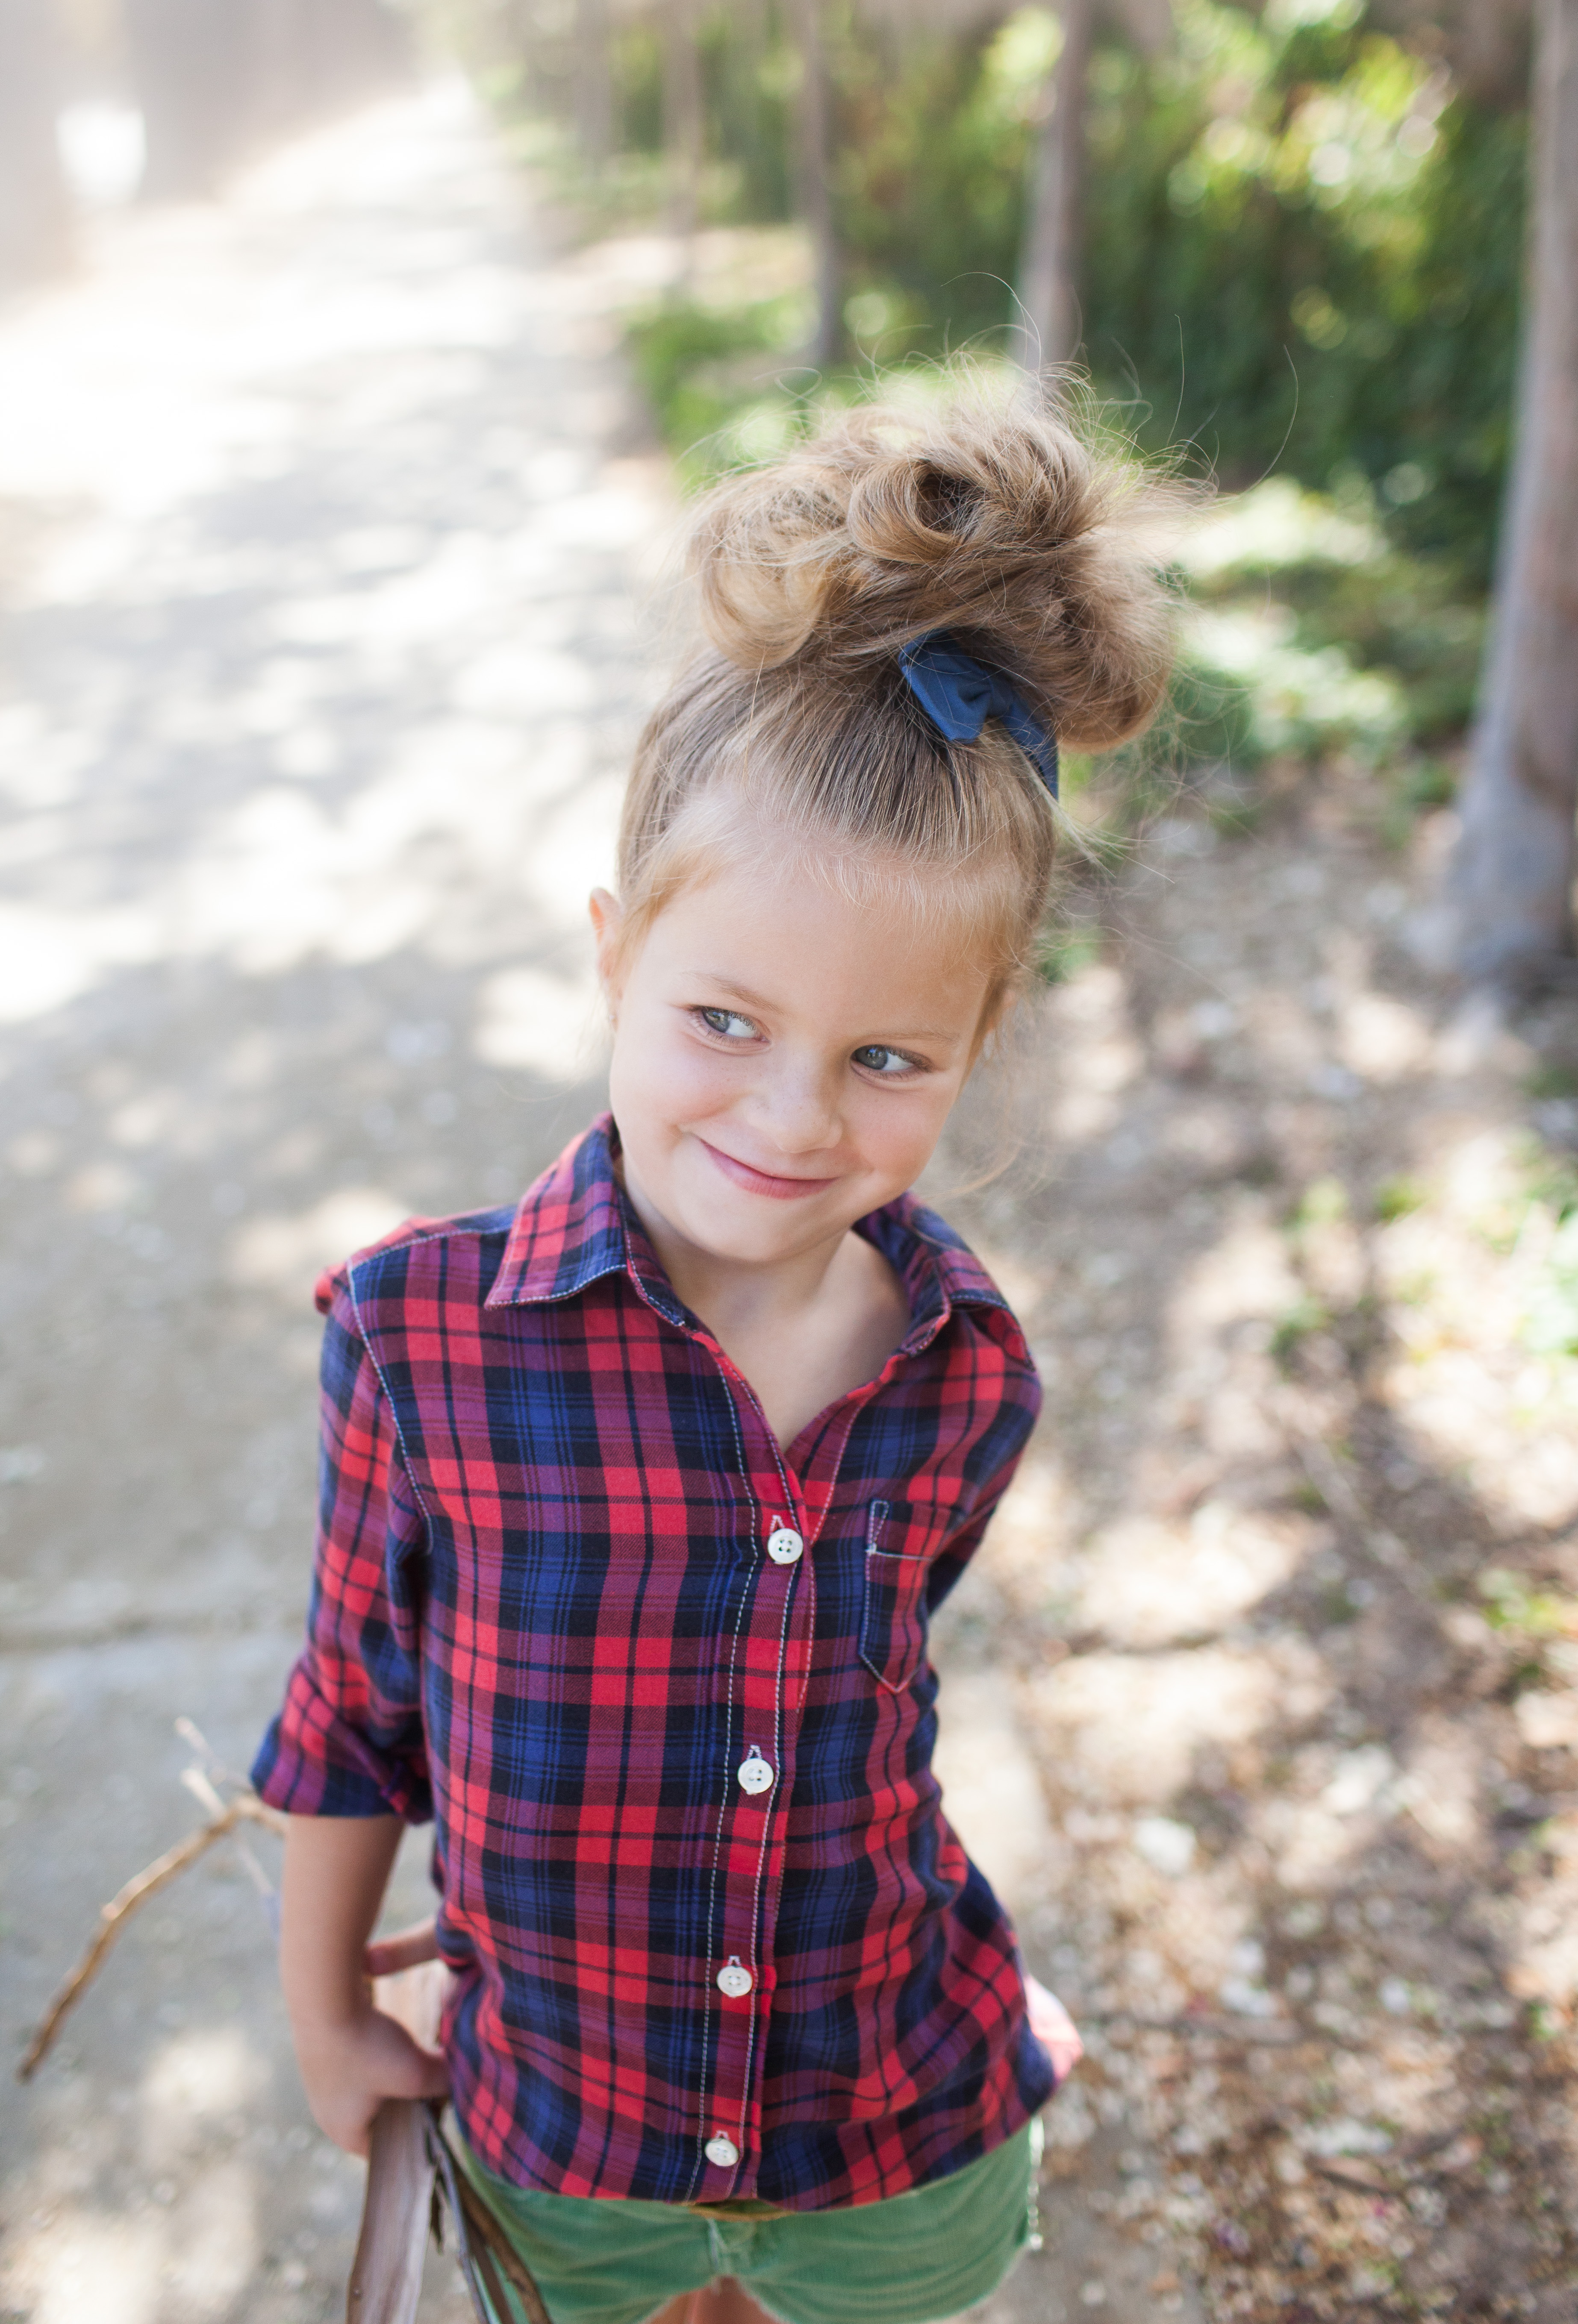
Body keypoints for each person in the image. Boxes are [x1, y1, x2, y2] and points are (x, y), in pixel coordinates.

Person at [253, 380, 1177, 2324]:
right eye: (724, 1022)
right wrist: (327, 2012)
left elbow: (866, 1726)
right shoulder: (422, 1344)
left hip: (893, 2147)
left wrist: (976, 1970)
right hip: (561, 2144)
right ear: (615, 953)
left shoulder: (970, 1371)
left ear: (980, 1042)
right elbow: (351, 1715)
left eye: (888, 1056)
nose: (791, 1115)